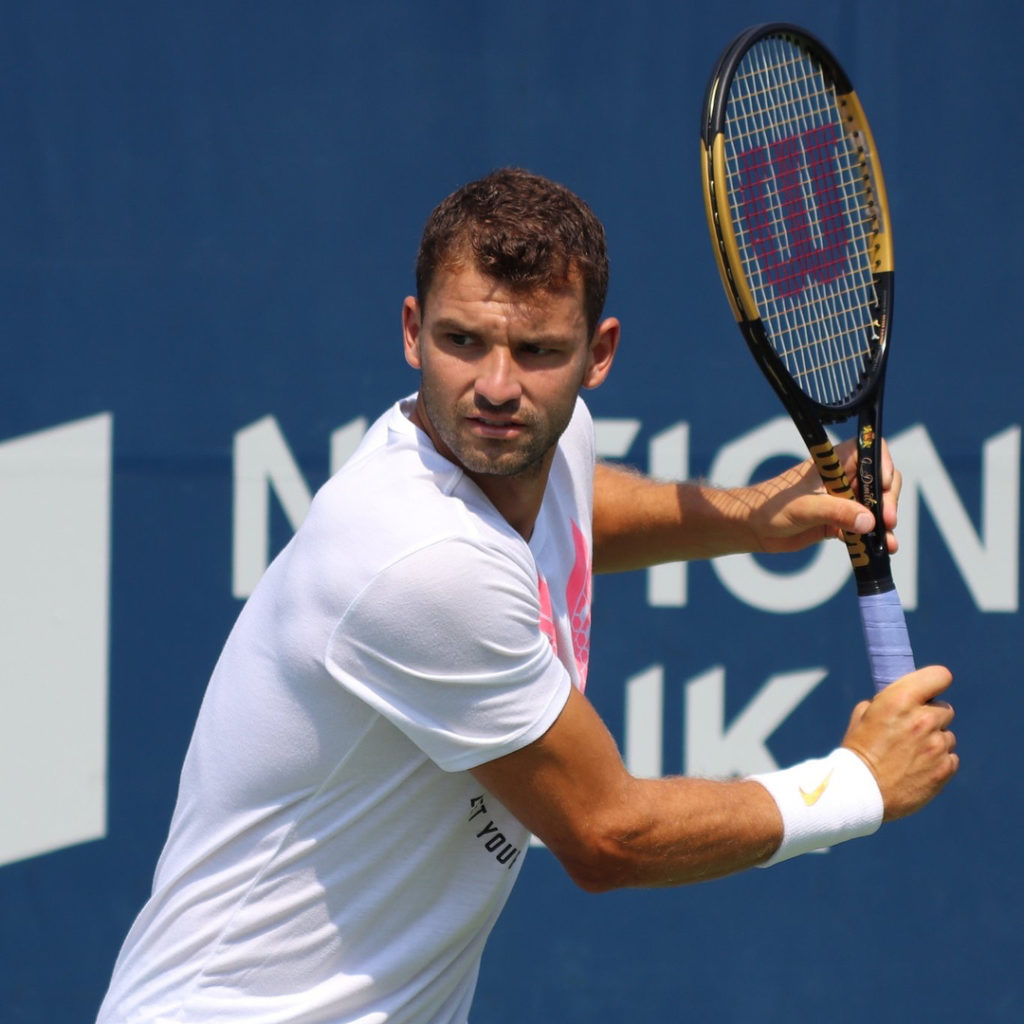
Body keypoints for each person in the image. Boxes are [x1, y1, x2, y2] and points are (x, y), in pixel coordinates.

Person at [96, 167, 957, 1024]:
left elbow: (573, 507)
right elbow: (608, 835)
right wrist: (858, 784)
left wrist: (748, 516)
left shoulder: (540, 445)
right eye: (462, 341)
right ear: (411, 330)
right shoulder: (421, 561)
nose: (498, 387)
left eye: (539, 351)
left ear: (598, 355)